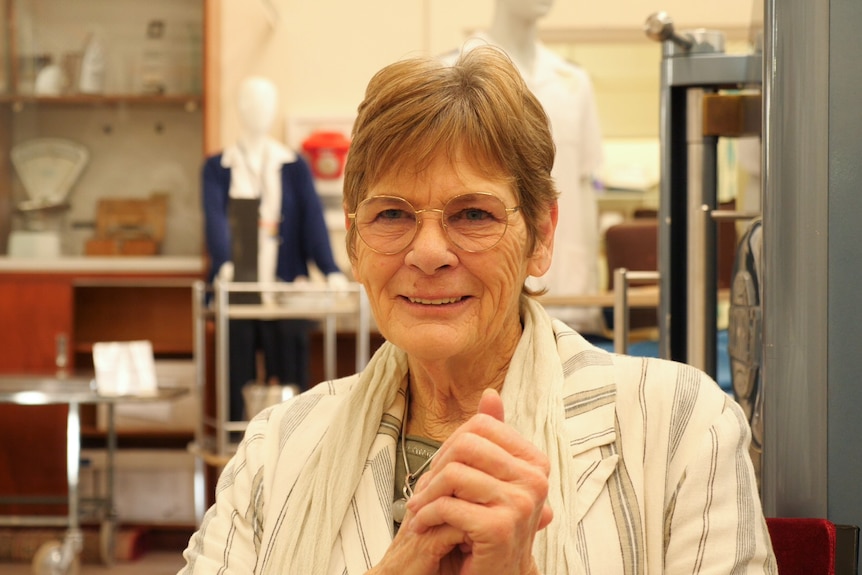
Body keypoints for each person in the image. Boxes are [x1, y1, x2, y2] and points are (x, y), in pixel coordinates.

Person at [181, 47, 775, 574]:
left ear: (541, 236)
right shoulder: (277, 448)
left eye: (473, 215)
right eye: (392, 215)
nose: (430, 253)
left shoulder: (682, 429)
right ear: (354, 245)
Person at [443, 0, 606, 335]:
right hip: (479, 272)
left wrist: (587, 279)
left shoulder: (573, 83)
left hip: (566, 288)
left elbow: (585, 185)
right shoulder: (450, 72)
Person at [202, 76, 346, 420]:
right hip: (239, 286)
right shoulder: (218, 167)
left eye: (266, 103)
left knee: (294, 376)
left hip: (284, 288)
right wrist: (224, 262)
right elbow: (214, 219)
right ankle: (237, 440)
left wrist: (330, 269)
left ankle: (296, 440)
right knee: (236, 372)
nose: (259, 111)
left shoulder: (292, 165)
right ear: (239, 108)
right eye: (251, 102)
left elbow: (312, 221)